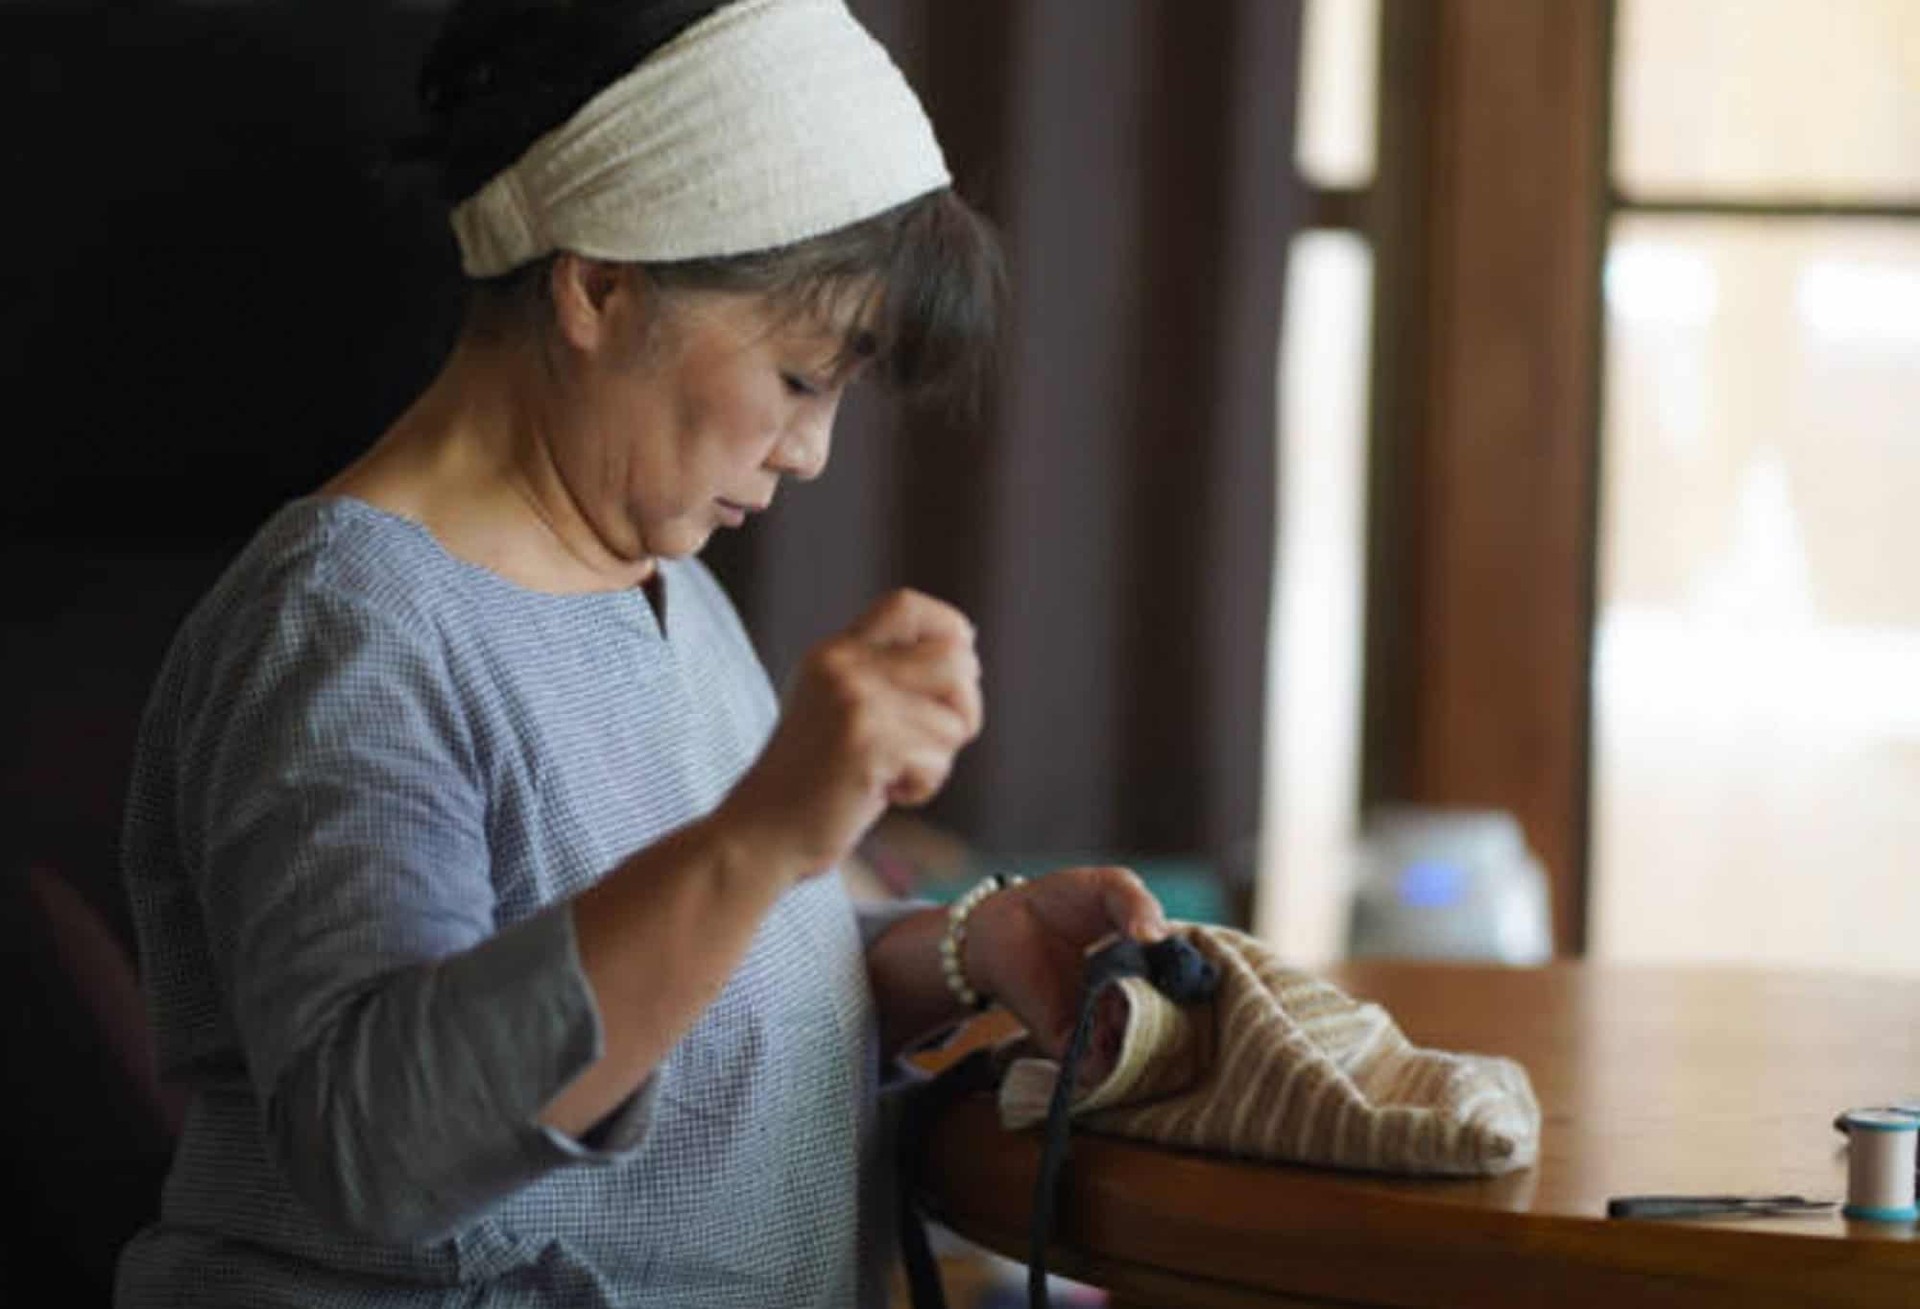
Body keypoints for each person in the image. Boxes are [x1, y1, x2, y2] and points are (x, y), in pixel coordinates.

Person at [114, 1, 1170, 1305]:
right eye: (797, 378)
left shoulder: (659, 586)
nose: (814, 449)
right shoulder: (346, 627)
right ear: (601, 284)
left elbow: (711, 972)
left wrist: (965, 948)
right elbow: (371, 1139)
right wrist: (766, 831)